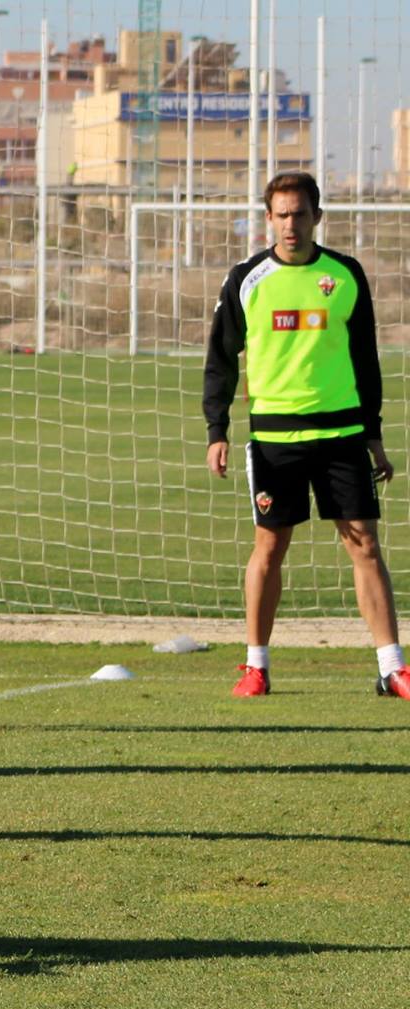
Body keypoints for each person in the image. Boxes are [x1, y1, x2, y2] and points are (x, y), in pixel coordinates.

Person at [205, 170, 410, 698]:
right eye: (281, 214)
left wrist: (374, 436)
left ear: (317, 216)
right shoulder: (246, 279)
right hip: (275, 438)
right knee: (269, 548)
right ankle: (256, 666)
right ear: (268, 218)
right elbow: (221, 359)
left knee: (364, 544)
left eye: (300, 213)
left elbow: (365, 358)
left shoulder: (345, 275)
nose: (290, 224)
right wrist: (217, 428)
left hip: (342, 433)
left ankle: (392, 667)